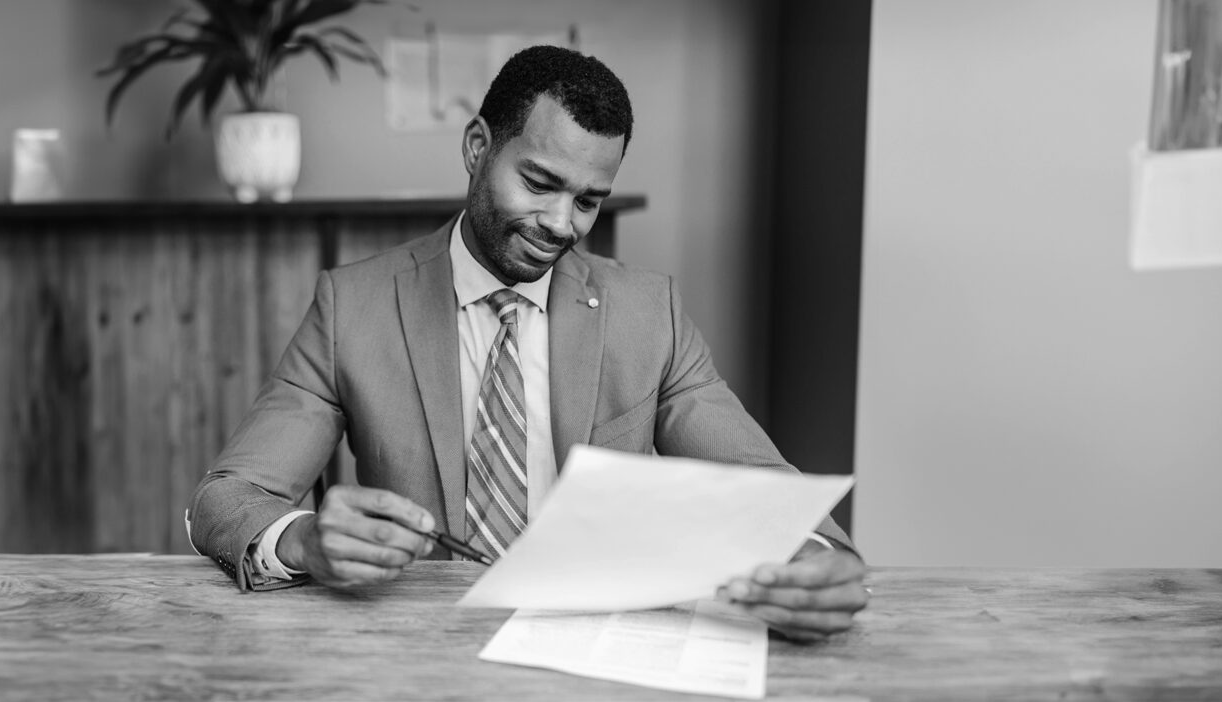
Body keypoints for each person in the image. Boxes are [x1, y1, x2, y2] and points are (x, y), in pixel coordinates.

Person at [188, 45, 868, 642]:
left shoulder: (647, 312)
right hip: (420, 644)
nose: (559, 223)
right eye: (539, 184)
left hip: (602, 645)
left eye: (588, 200)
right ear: (477, 146)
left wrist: (813, 560)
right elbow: (225, 498)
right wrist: (303, 541)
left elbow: (766, 487)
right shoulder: (353, 306)